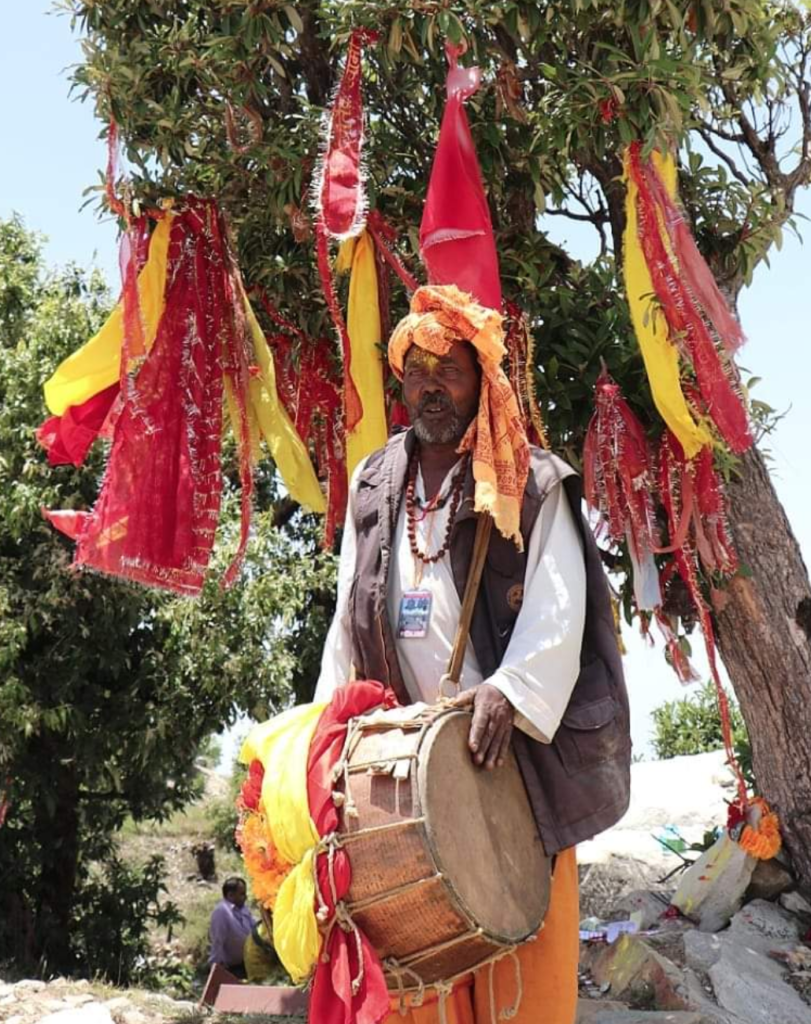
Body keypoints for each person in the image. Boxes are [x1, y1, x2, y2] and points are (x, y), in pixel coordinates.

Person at [315, 284, 632, 1024]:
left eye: (449, 369)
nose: (431, 386)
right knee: (416, 973)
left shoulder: (531, 479)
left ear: (479, 379)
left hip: (506, 758)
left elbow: (559, 603)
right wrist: (330, 730)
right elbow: (345, 620)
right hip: (399, 762)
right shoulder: (372, 484)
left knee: (525, 966)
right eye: (417, 371)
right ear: (401, 383)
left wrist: (512, 691)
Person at [208, 876, 256, 980]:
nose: (245, 897)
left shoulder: (243, 909)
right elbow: (218, 941)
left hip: (246, 965)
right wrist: (217, 970)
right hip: (230, 969)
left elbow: (254, 928)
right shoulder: (222, 912)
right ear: (230, 895)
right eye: (242, 894)